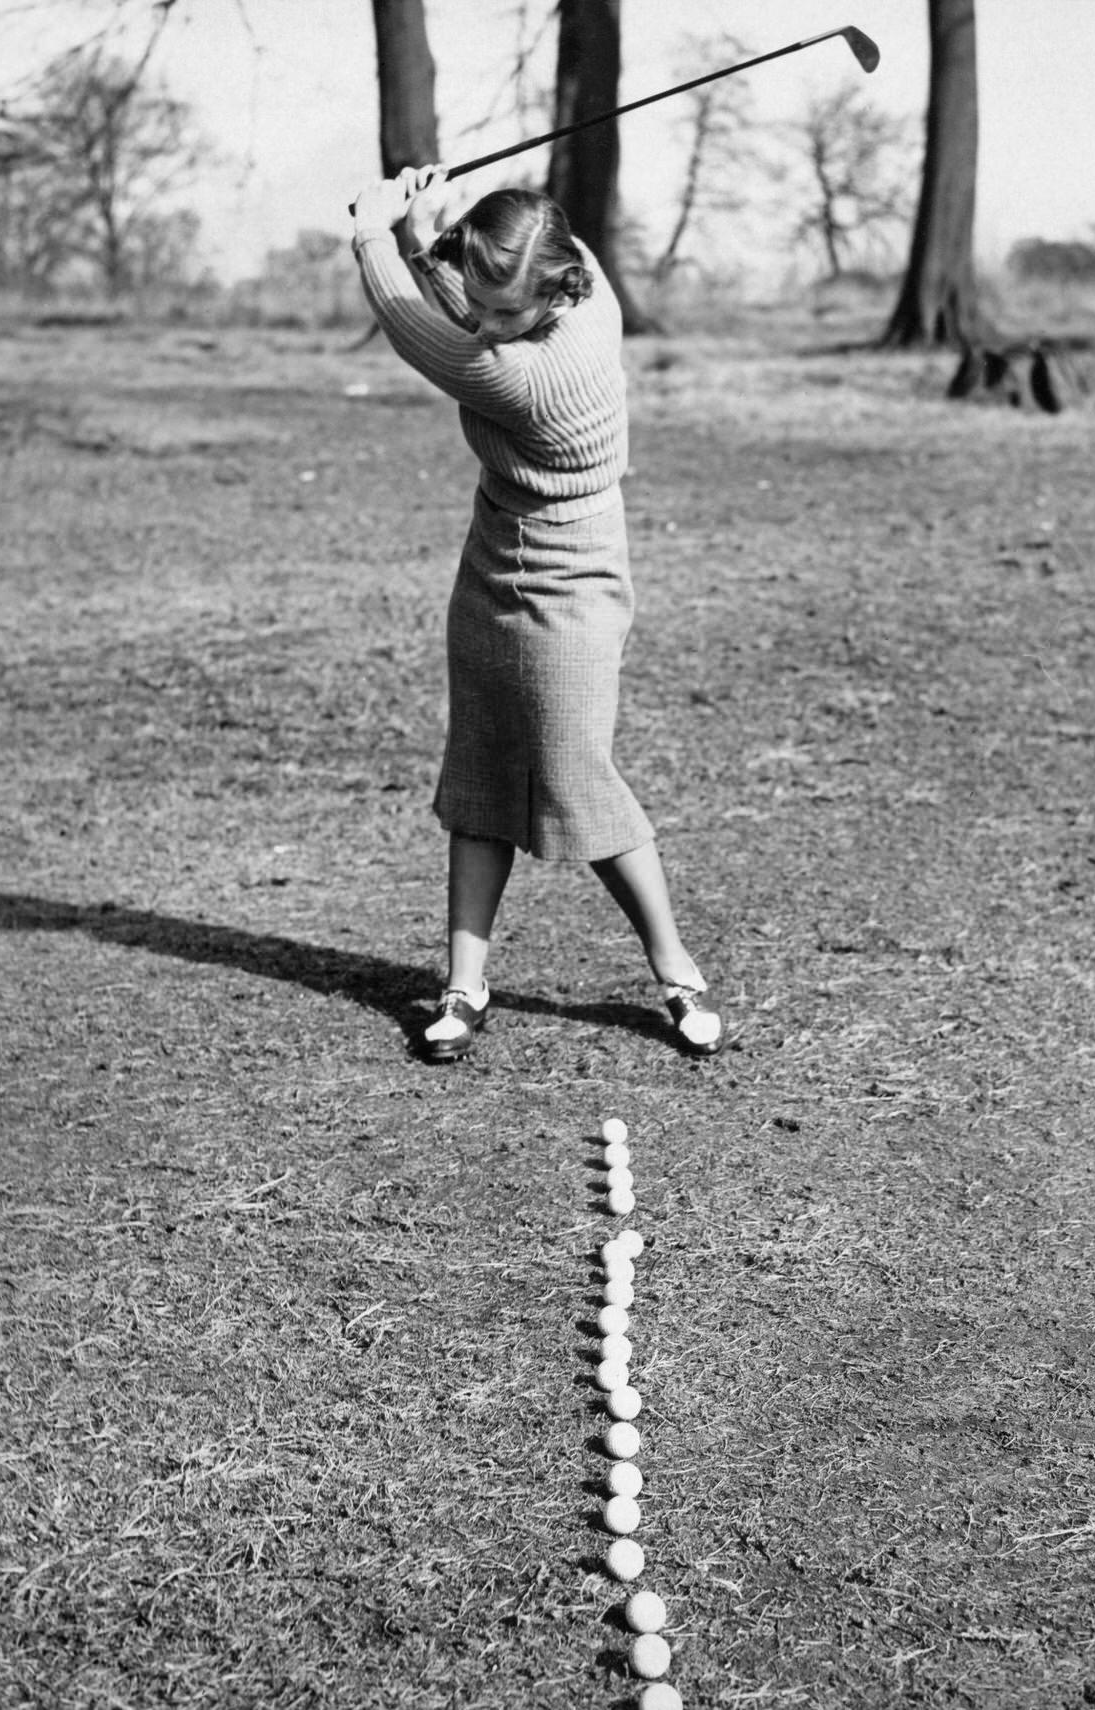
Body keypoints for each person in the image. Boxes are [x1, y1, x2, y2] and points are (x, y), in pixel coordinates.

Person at [350, 165, 722, 1064]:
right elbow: (475, 302)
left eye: (504, 312)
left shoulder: (531, 378)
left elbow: (419, 327)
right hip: (494, 553)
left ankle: (676, 970)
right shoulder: (575, 277)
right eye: (483, 303)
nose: (486, 323)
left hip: (573, 570)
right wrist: (432, 228)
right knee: (479, 766)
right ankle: (463, 986)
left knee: (575, 772)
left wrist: (375, 233)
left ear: (556, 290)